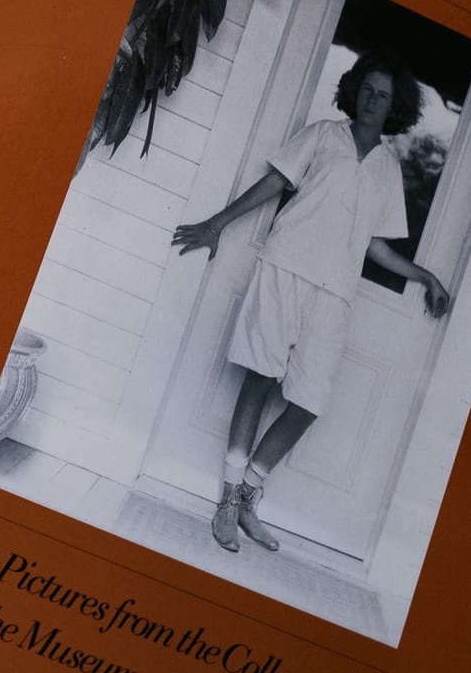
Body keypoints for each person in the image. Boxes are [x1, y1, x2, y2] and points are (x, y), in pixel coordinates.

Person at [171, 50, 451, 554]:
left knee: (307, 403)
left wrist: (424, 274)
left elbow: (377, 246)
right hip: (285, 269)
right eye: (367, 89)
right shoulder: (322, 135)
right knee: (259, 381)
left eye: (383, 96)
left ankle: (251, 494)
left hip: (335, 293)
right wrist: (216, 224)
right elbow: (276, 182)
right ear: (355, 89)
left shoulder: (389, 169)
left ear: (395, 107)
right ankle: (228, 501)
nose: (372, 100)